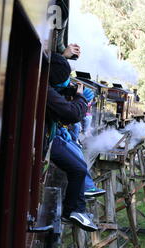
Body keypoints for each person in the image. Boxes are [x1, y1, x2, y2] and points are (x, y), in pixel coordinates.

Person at [46, 53, 98, 232]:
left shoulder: (47, 84)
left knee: (80, 166)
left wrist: (72, 91)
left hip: (51, 137)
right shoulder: (45, 90)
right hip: (47, 140)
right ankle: (74, 210)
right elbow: (71, 113)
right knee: (78, 168)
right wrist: (81, 98)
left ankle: (78, 209)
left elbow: (59, 91)